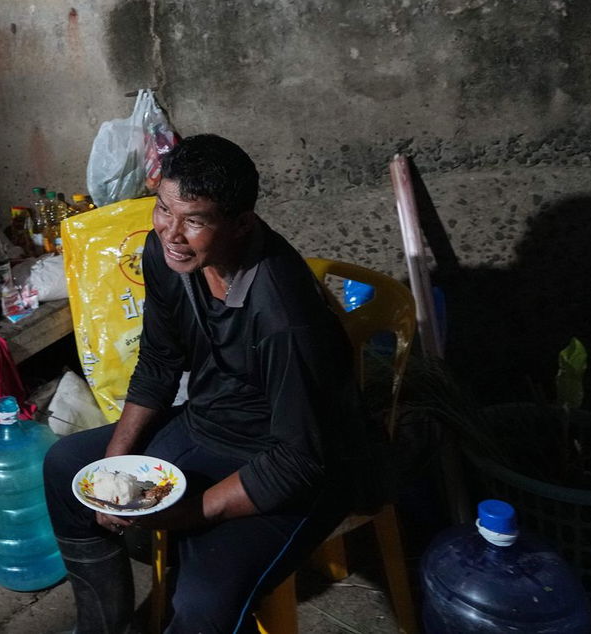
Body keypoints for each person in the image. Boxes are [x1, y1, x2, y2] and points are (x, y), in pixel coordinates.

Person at [43, 135, 381, 634]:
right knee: (67, 468)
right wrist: (111, 468)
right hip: (209, 425)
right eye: (164, 209)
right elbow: (159, 361)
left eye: (195, 221)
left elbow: (299, 461)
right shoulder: (167, 254)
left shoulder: (283, 316)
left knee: (204, 601)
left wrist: (186, 514)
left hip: (297, 464)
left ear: (241, 224)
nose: (172, 233)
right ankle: (105, 627)